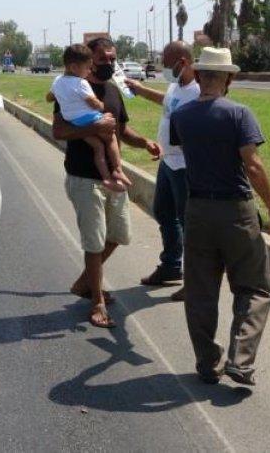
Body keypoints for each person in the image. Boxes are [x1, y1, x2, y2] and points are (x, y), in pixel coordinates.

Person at [170, 47, 270, 386]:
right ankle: (241, 359)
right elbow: (252, 164)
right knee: (254, 288)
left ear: (200, 75)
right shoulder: (239, 114)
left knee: (201, 290)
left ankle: (208, 362)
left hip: (198, 209)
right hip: (236, 209)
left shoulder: (182, 116)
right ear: (228, 78)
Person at [52, 37, 160, 329]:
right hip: (85, 178)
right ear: (88, 62)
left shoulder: (113, 89)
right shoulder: (73, 89)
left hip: (112, 177)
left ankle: (85, 283)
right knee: (94, 242)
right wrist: (92, 127)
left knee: (118, 235)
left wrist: (145, 142)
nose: (109, 64)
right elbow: (59, 130)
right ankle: (97, 301)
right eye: (102, 60)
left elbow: (121, 129)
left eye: (113, 59)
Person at [123, 41, 201, 301]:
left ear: (183, 62)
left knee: (189, 223)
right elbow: (168, 103)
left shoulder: (198, 91)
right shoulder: (176, 85)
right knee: (164, 213)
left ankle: (195, 282)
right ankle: (171, 266)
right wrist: (142, 90)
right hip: (168, 162)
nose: (165, 69)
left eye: (168, 64)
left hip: (186, 167)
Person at [48, 43, 133, 192]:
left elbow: (49, 97)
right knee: (110, 138)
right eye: (88, 67)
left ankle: (106, 178)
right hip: (89, 120)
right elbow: (93, 103)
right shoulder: (81, 83)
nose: (90, 70)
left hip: (74, 121)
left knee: (98, 147)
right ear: (74, 68)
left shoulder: (57, 81)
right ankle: (117, 169)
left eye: (112, 59)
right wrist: (101, 107)